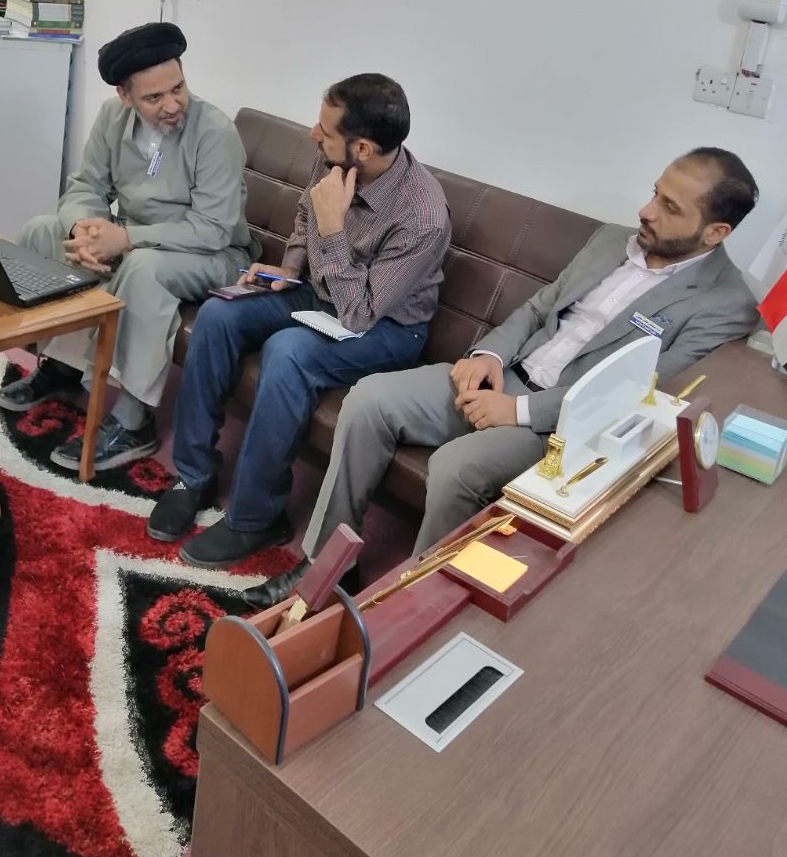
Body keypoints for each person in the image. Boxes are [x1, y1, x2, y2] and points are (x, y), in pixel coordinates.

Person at [244, 146, 760, 607]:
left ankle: (412, 607)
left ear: (715, 232)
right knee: (368, 401)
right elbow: (539, 308)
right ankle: (326, 567)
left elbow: (642, 393)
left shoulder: (725, 305)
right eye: (654, 193)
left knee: (454, 467)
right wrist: (488, 354)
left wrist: (518, 411)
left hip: (560, 426)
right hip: (506, 373)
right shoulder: (612, 241)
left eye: (670, 207)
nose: (646, 210)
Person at [147, 72, 452, 566]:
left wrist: (333, 226)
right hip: (319, 291)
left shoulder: (422, 216)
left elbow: (359, 313)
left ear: (363, 149)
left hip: (387, 328)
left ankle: (256, 518)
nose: (314, 134)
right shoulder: (333, 159)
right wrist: (288, 270)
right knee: (220, 312)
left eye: (325, 131)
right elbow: (306, 221)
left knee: (287, 352)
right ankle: (193, 475)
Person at [0, 22, 256, 471]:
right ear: (125, 96)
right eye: (154, 97)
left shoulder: (214, 131)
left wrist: (126, 240)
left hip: (213, 255)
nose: (172, 104)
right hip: (136, 237)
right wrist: (83, 229)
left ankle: (135, 421)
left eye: (178, 88)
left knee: (144, 269)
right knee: (43, 231)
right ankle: (60, 367)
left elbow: (212, 228)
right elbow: (86, 186)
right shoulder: (111, 118)